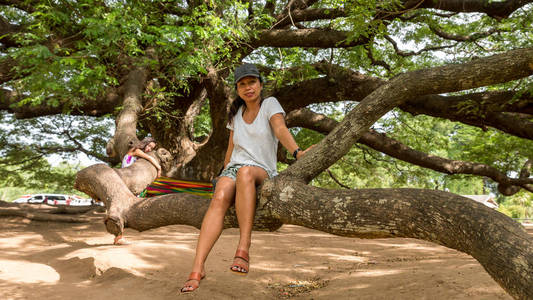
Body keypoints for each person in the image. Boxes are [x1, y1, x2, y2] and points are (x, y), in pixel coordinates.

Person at [181, 63, 312, 292]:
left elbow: (280, 129)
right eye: (242, 84)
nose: (248, 87)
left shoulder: (270, 104)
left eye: (252, 82)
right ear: (237, 89)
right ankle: (197, 268)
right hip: (234, 168)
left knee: (245, 172)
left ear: (260, 84)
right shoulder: (236, 113)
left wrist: (297, 152)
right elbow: (231, 150)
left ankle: (244, 247)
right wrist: (223, 175)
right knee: (219, 198)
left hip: (261, 169)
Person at [113, 136, 162, 245]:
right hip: (125, 182)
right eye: (148, 145)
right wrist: (159, 168)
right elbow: (149, 158)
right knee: (122, 209)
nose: (149, 149)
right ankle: (119, 236)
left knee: (124, 209)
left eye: (151, 148)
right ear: (144, 143)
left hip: (127, 182)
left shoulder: (137, 154)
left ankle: (119, 236)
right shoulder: (136, 150)